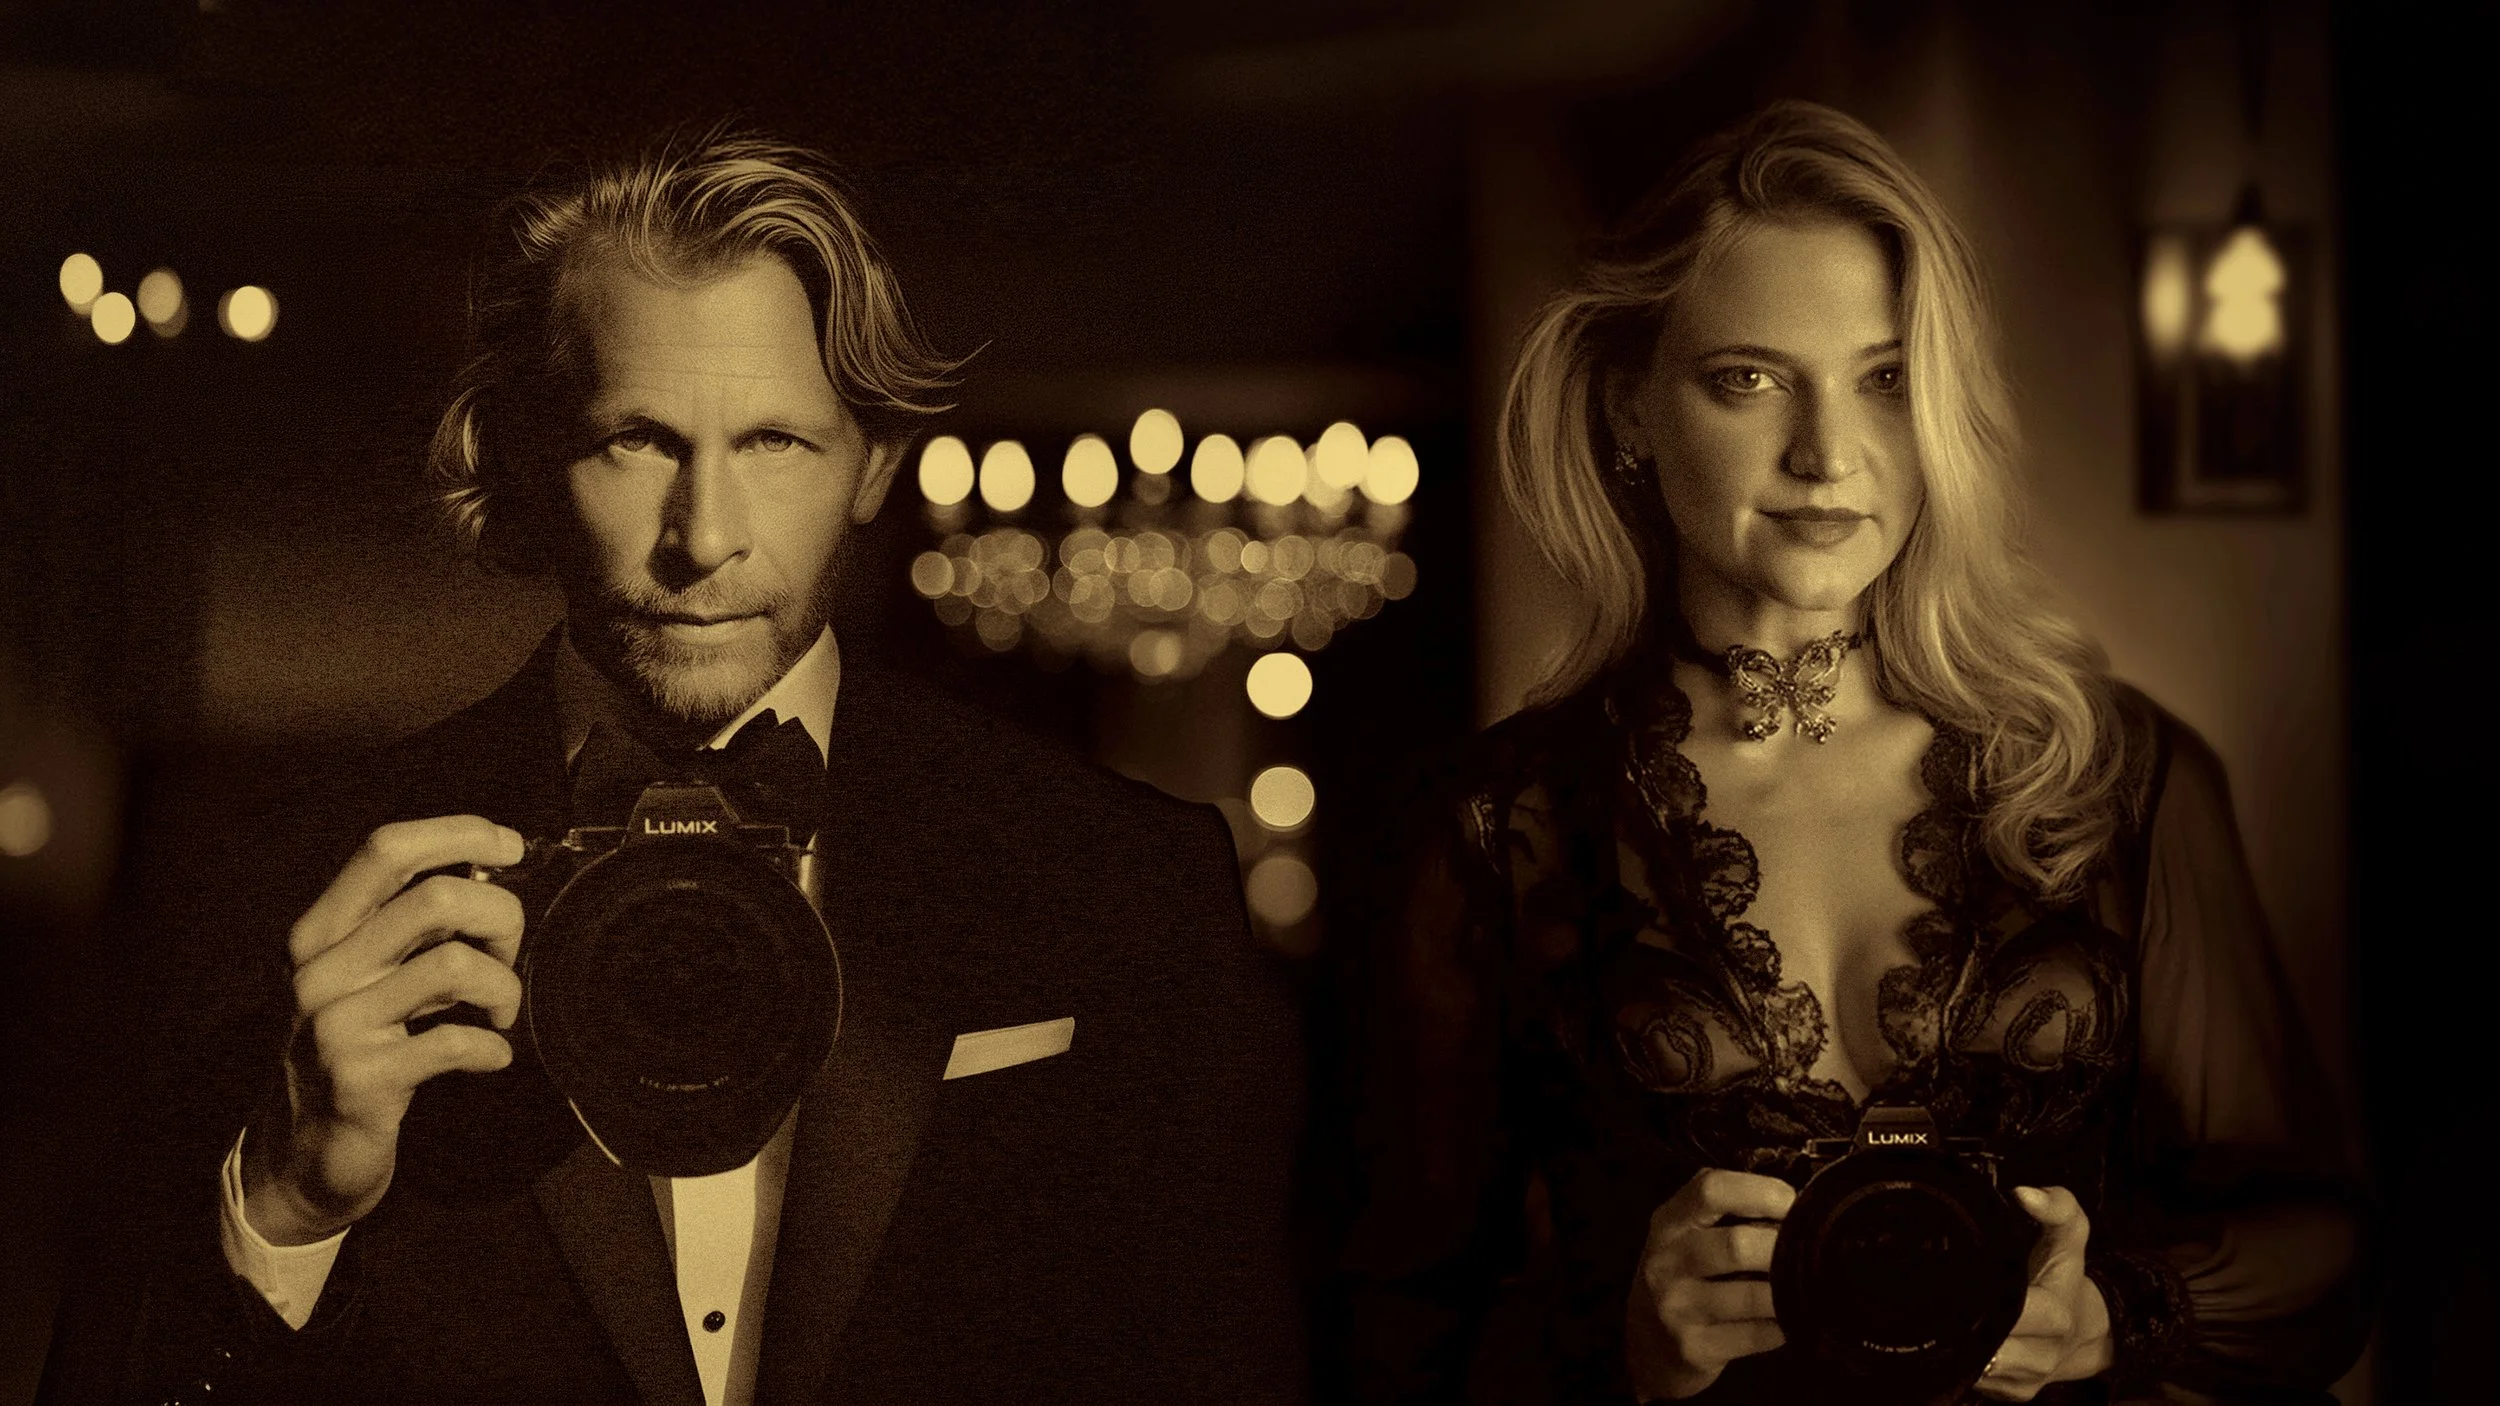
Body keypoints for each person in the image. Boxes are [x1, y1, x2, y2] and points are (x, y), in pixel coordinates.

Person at [40, 130, 1306, 1406]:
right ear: (529, 455)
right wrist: (284, 1207)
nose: (704, 538)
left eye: (775, 445)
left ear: (872, 462)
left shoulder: (1127, 878)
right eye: (635, 441)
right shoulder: (284, 886)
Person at [1338, 102, 2371, 1404]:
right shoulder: (1497, 825)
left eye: (1886, 379)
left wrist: (2110, 1311)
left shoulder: (2116, 773)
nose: (1829, 453)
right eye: (1751, 378)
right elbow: (1381, 1332)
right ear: (1630, 409)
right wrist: (1615, 1341)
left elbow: (2322, 1247)